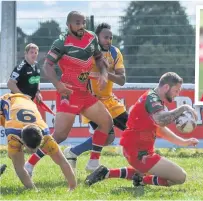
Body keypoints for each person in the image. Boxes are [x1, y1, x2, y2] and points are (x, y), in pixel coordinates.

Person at [24, 11, 113, 176]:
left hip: (84, 93)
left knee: (107, 123)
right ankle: (29, 165)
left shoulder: (91, 37)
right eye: (77, 23)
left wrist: (104, 73)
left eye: (83, 22)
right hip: (68, 93)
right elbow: (47, 66)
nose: (81, 26)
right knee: (59, 136)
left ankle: (93, 163)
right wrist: (58, 85)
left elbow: (99, 58)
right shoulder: (61, 42)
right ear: (69, 25)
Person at [85, 72, 199, 187]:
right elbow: (160, 120)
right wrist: (184, 108)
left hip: (138, 150)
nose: (177, 94)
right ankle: (141, 180)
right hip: (140, 153)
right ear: (166, 87)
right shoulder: (152, 99)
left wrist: (183, 142)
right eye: (176, 90)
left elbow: (160, 129)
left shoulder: (154, 98)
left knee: (146, 170)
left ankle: (106, 173)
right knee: (180, 177)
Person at [63, 22, 128, 172]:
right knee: (106, 136)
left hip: (110, 100)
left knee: (129, 129)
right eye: (105, 37)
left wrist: (105, 74)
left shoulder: (115, 53)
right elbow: (75, 75)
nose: (109, 40)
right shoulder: (88, 53)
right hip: (91, 102)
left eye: (111, 37)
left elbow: (122, 80)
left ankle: (73, 152)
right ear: (97, 38)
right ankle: (91, 163)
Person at [0, 93, 76, 191]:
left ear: (42, 139)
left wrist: (72, 187)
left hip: (27, 101)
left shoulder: (46, 136)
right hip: (5, 102)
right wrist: (33, 190)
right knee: (15, 158)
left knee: (14, 156)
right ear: (22, 140)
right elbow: (19, 169)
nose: (34, 152)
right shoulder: (13, 135)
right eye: (31, 149)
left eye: (37, 147)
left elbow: (63, 162)